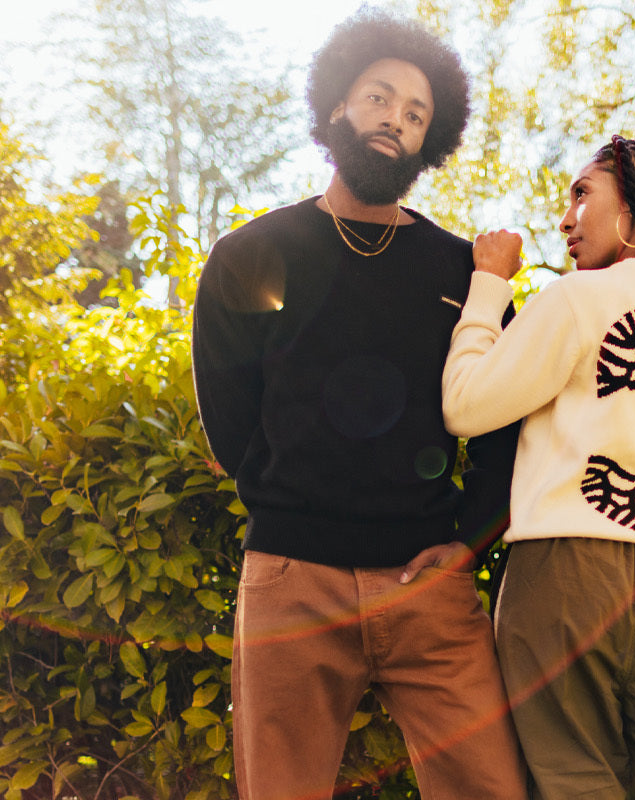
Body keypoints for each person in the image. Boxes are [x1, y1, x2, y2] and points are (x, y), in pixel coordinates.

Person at [190, 9, 528, 800]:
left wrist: (472, 540)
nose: (395, 121)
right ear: (338, 105)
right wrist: (296, 525)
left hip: (429, 584)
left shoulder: (459, 271)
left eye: (416, 115)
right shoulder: (249, 256)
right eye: (380, 98)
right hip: (291, 582)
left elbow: (510, 420)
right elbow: (232, 424)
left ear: (427, 144)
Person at [441, 134, 635, 799]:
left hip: (565, 571)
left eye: (582, 193)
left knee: (572, 778)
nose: (565, 219)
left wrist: (488, 287)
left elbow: (467, 406)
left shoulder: (576, 300)